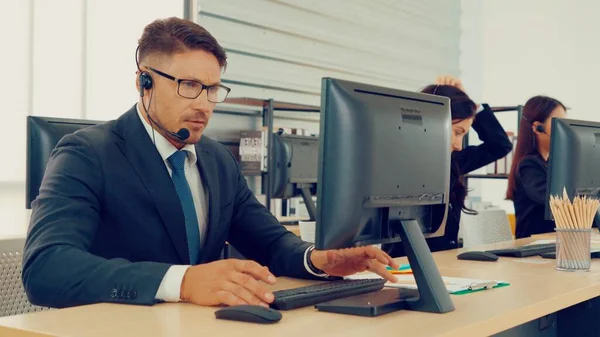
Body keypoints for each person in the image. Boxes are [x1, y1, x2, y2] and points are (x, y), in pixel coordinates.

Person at [22, 17, 398, 310]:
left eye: (212, 89)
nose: (204, 104)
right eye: (189, 85)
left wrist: (317, 261)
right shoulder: (86, 155)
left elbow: (268, 242)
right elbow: (47, 268)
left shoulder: (217, 160)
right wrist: (181, 282)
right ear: (144, 83)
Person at [386, 77, 513, 257]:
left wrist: (471, 105)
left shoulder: (455, 161)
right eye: (457, 132)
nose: (459, 145)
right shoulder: (397, 165)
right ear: (435, 121)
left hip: (448, 267)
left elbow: (500, 145)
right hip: (407, 269)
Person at [506, 96, 569, 238]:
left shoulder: (551, 163)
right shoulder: (528, 165)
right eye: (558, 124)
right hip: (533, 246)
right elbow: (553, 201)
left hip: (553, 243)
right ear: (537, 128)